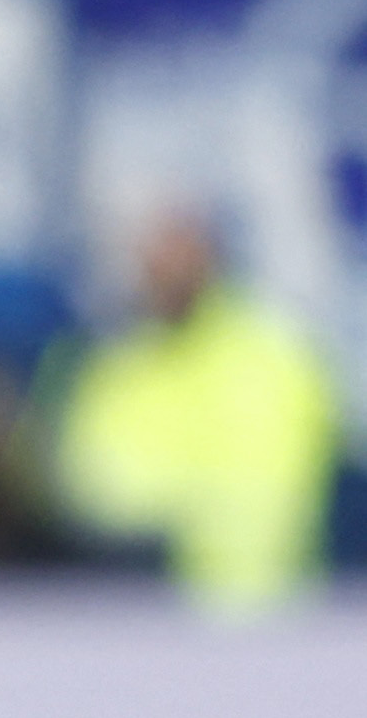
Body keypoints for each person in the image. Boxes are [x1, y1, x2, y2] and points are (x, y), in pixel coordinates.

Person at [42, 207, 340, 613]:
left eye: (180, 251)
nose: (166, 271)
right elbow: (86, 487)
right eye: (153, 257)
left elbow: (266, 494)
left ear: (212, 257)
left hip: (264, 615)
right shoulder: (118, 362)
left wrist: (167, 516)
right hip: (132, 614)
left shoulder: (273, 357)